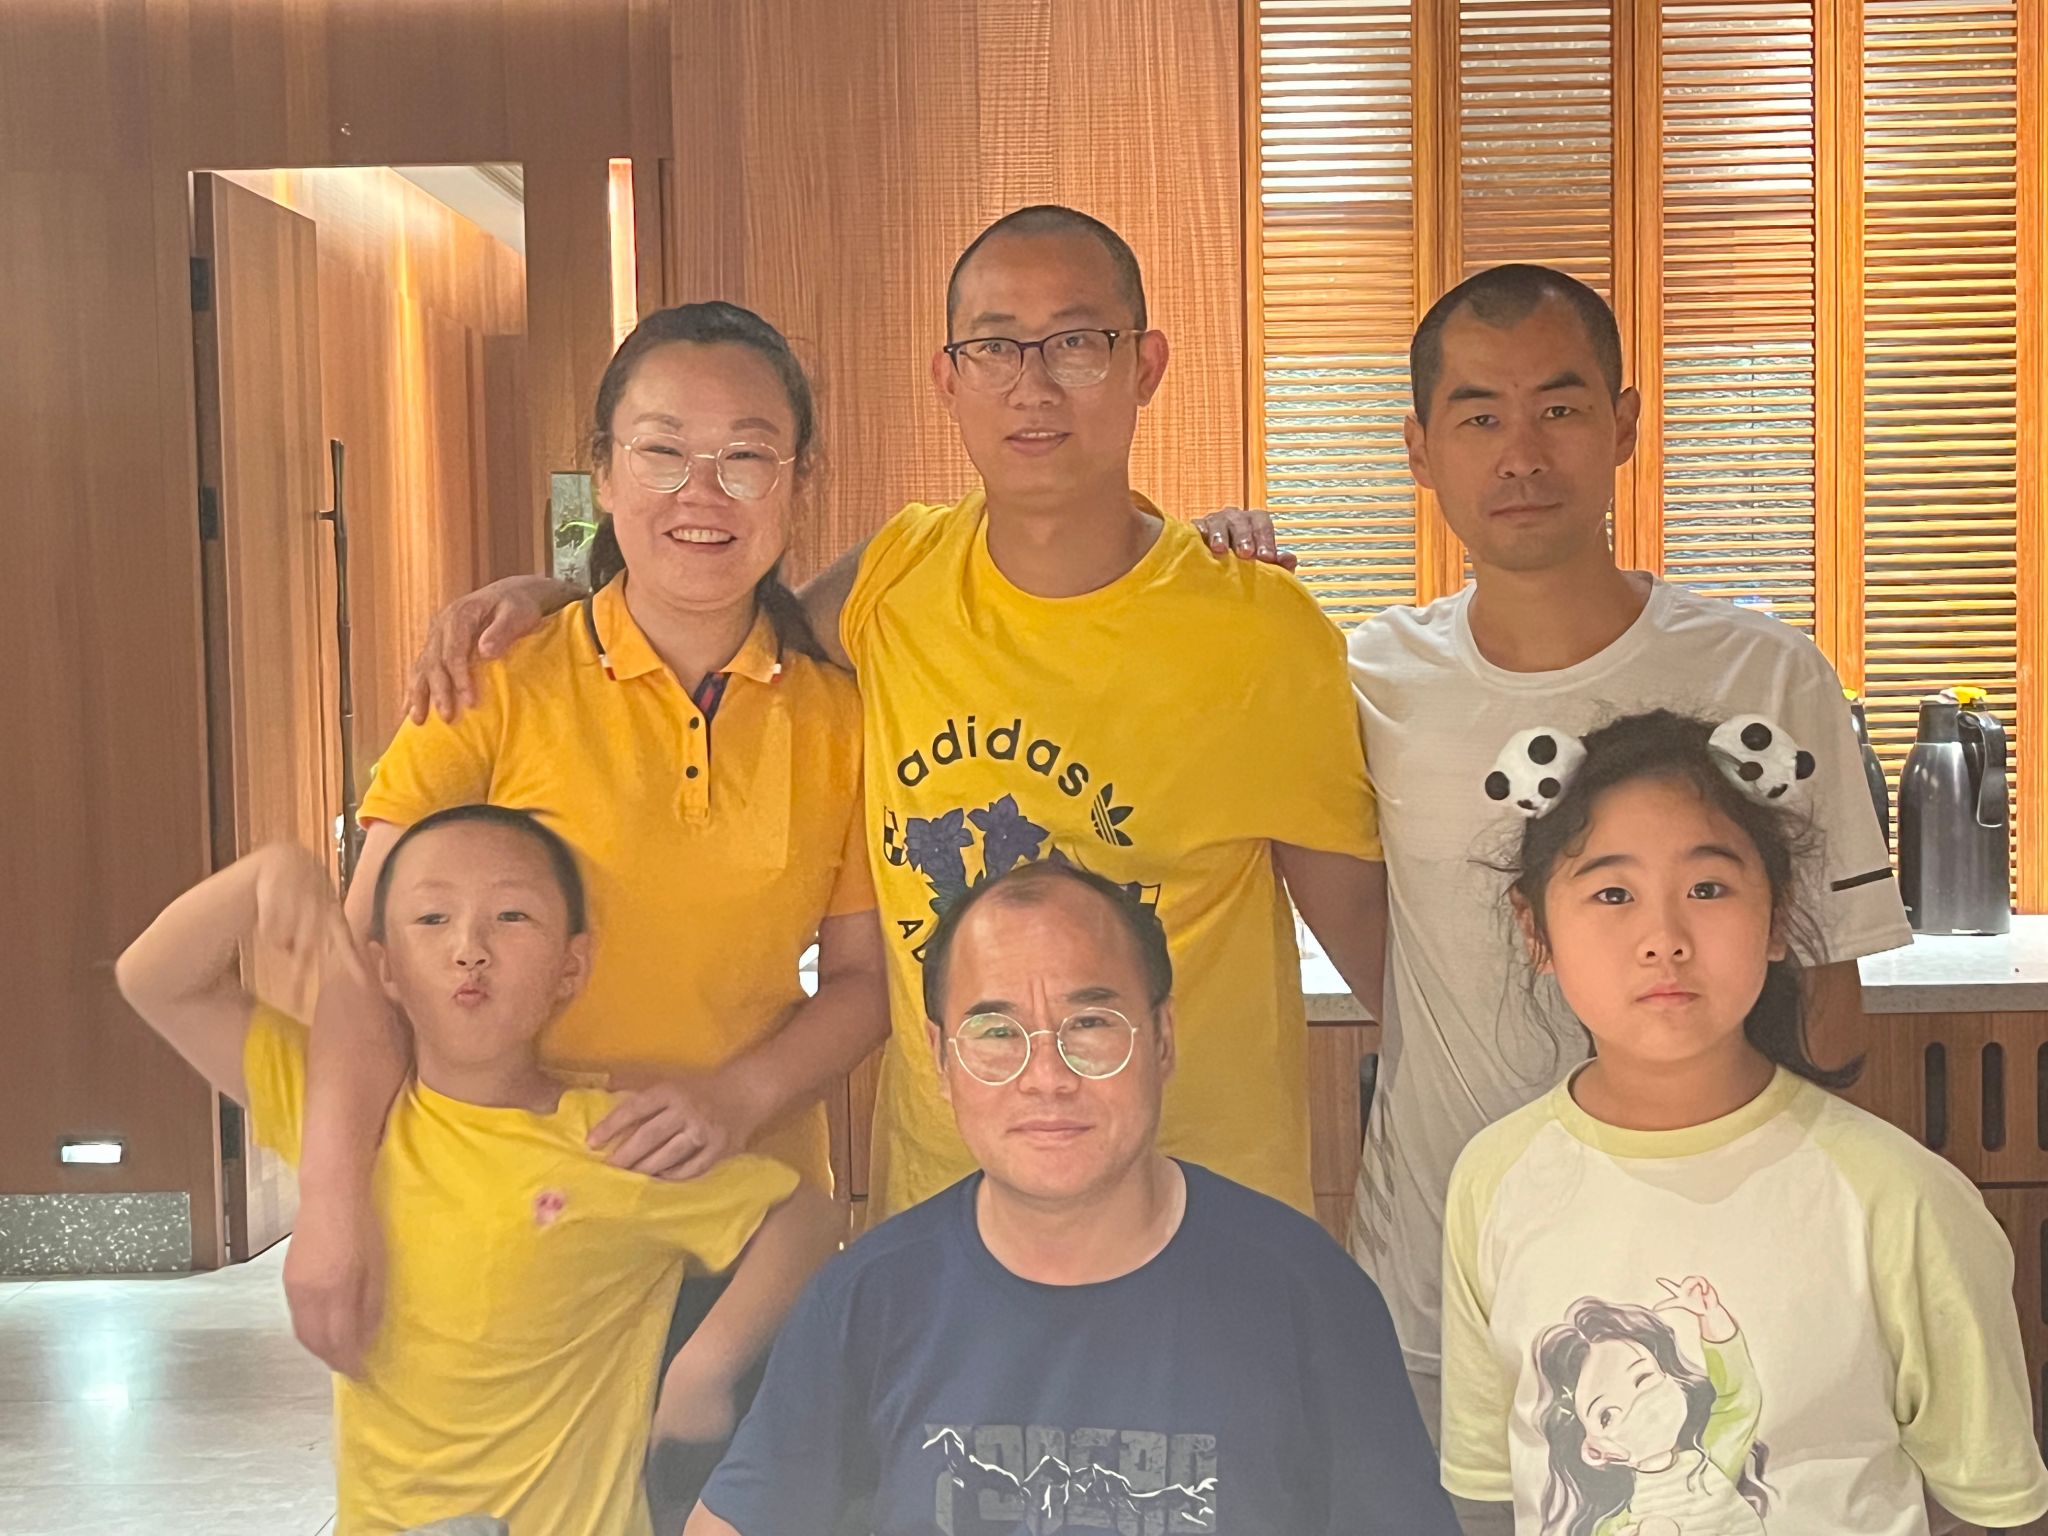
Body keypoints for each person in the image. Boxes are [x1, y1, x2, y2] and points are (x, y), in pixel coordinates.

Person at [402, 206, 1388, 1226]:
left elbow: (1363, 930)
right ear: (947, 379)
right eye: (995, 346)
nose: (1033, 384)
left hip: (1196, 1217)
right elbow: (716, 609)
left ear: (1143, 365)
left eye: (1077, 342)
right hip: (947, 1218)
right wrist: (553, 599)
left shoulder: (1259, 630)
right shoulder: (896, 578)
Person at [1210, 265, 1911, 1486]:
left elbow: (1827, 1002)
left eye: (1559, 407)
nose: (1521, 453)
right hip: (1441, 1279)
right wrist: (1201, 569)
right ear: (1419, 449)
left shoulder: (1760, 675)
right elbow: (1375, 941)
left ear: (1622, 424)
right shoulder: (1363, 682)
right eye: (1478, 415)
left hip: (1701, 1288)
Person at [288, 303, 887, 1520]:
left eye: (745, 455)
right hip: (509, 1235)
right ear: (603, 474)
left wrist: (735, 1100)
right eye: (661, 451)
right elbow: (361, 961)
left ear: (797, 482)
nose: (700, 492)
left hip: (739, 1233)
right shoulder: (494, 681)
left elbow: (865, 981)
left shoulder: (839, 715)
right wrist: (331, 1208)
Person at [115, 809, 839, 1536]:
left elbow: (805, 1219)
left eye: (511, 916)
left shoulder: (611, 1141)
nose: (469, 949)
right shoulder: (341, 1116)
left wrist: (706, 1367)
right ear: (385, 969)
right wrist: (267, 873)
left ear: (571, 966)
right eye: (432, 919)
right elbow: (153, 978)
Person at [682, 858, 1456, 1536]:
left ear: (1162, 1039)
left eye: (1089, 1023)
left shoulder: (1303, 1291)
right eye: (996, 1033)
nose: (1046, 1077)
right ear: (940, 1060)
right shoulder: (870, 1297)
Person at [1437, 710, 2048, 1535]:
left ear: (1777, 915)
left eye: (1708, 889)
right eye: (1613, 894)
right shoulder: (1494, 1180)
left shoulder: (1899, 1198)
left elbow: (1992, 1507)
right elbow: (1497, 1485)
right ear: (1534, 929)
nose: (1663, 939)